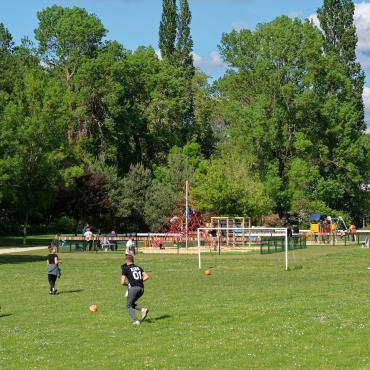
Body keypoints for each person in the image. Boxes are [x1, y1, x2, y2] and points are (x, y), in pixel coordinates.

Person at [121, 254, 149, 325]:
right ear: (133, 260)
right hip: (141, 288)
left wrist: (127, 284)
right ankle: (142, 310)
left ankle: (136, 320)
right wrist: (139, 281)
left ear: (126, 260)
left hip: (133, 289)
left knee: (128, 306)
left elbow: (122, 282)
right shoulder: (138, 267)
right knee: (130, 303)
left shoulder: (125, 268)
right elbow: (146, 276)